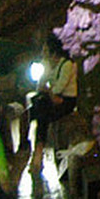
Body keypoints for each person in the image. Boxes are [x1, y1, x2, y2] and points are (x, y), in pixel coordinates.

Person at [25, 37, 80, 174]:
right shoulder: (49, 64)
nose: (43, 54)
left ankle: (37, 154)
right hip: (52, 100)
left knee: (40, 109)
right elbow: (40, 87)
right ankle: (35, 152)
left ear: (53, 53)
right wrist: (48, 88)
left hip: (67, 101)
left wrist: (49, 91)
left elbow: (58, 89)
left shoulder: (67, 65)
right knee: (37, 108)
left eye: (45, 51)